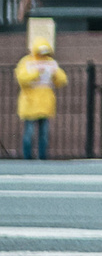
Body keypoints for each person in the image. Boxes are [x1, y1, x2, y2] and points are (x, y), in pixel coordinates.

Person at [15, 30, 64, 160]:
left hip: (45, 104)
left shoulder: (51, 62)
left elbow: (62, 81)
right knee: (29, 133)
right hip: (30, 103)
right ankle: (27, 156)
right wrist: (36, 73)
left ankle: (42, 156)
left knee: (44, 133)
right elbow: (22, 79)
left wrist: (55, 73)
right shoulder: (26, 62)